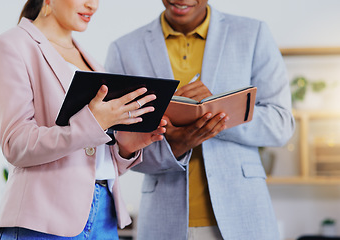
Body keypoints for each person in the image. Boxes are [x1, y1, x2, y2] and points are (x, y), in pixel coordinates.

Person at [105, 0, 295, 239]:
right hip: (163, 223)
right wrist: (175, 145)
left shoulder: (252, 34)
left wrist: (213, 112)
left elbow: (280, 125)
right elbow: (117, 149)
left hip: (244, 218)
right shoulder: (124, 49)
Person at [0, 0, 168, 239]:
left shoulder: (90, 60)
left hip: (105, 216)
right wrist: (93, 123)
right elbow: (15, 144)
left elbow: (92, 153)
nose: (93, 5)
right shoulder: (9, 46)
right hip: (43, 220)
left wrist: (125, 148)